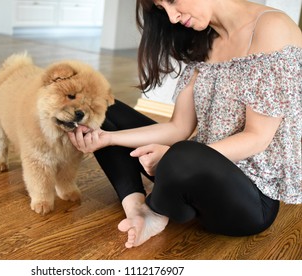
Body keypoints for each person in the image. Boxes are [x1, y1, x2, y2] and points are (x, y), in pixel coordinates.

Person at [68, 0, 302, 248]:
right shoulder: (204, 36)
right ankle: (137, 208)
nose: (171, 17)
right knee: (106, 112)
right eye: (161, 8)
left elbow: (257, 137)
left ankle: (157, 209)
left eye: (172, 1)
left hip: (249, 200)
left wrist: (170, 159)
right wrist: (109, 138)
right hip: (192, 173)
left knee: (183, 153)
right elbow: (179, 127)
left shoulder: (271, 27)